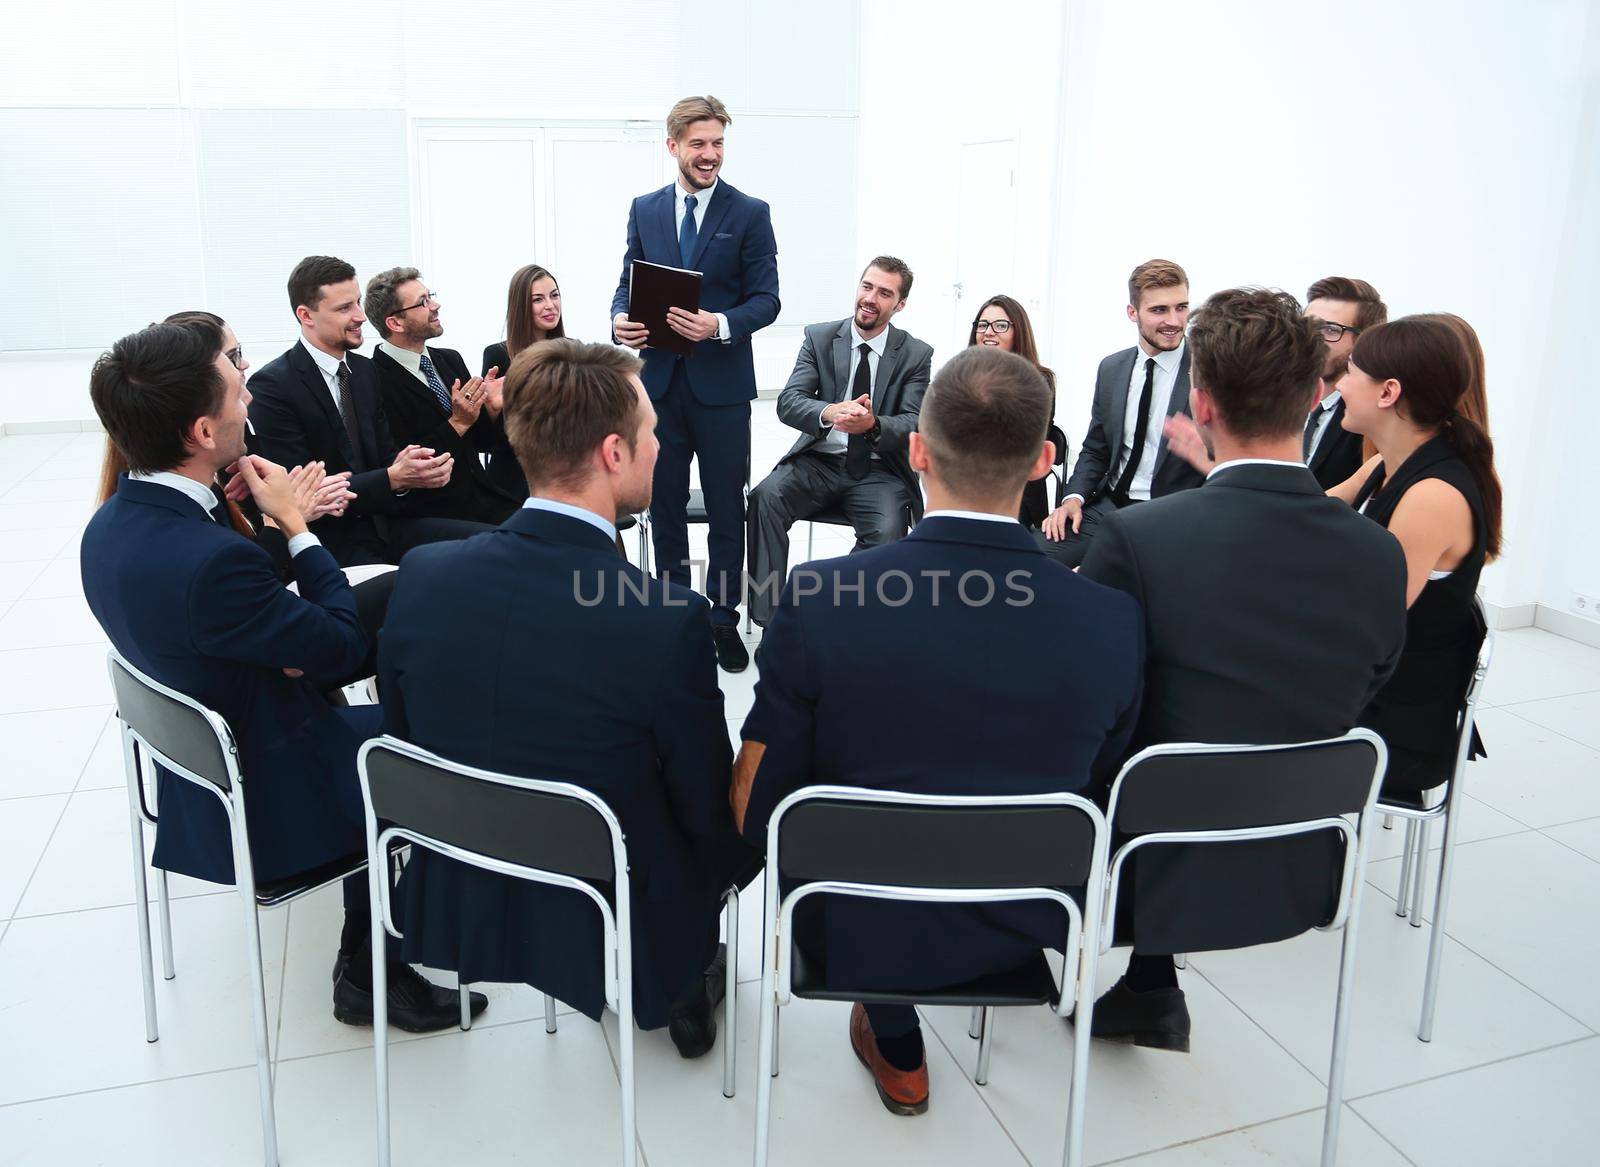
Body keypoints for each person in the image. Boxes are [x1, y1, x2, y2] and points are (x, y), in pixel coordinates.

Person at [732, 345, 1144, 1116]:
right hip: (1028, 916)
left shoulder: (823, 596)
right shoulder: (1113, 621)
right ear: (1043, 461)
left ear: (916, 449)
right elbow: (1101, 790)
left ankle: (895, 1035)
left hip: (854, 915)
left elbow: (758, 802)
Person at [81, 317, 478, 1033]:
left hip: (203, 765)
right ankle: (372, 961)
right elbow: (334, 640)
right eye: (237, 389)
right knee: (435, 728)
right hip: (272, 792)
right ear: (203, 432)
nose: (250, 402)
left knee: (407, 594)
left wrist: (260, 540)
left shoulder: (107, 527)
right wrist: (296, 525)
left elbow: (234, 619)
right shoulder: (212, 560)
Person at [380, 339, 758, 1057]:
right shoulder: (666, 618)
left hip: (461, 877)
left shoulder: (423, 574)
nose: (663, 443)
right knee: (735, 818)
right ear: (614, 453)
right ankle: (684, 975)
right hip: (602, 893)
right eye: (652, 431)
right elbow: (704, 808)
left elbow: (407, 738)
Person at [1079, 287, 1407, 1053]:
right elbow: (1369, 684)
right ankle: (1151, 987)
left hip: (1147, 864)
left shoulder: (1139, 538)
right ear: (1317, 393)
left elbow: (1087, 703)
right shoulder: (1377, 552)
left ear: (1201, 402)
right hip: (1306, 856)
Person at [610, 95, 781, 672]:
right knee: (664, 506)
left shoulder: (750, 213)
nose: (710, 155)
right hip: (658, 387)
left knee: (728, 507)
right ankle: (678, 613)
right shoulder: (645, 209)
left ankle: (723, 616)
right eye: (699, 144)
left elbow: (768, 299)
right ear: (673, 146)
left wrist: (721, 324)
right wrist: (619, 321)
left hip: (724, 390)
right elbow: (626, 281)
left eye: (718, 144)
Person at [1327, 316, 1502, 797]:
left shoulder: (1431, 497)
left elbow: (1369, 625)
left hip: (1395, 730)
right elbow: (1314, 509)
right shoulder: (1388, 461)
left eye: (1350, 373)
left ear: (1387, 393)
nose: (1338, 383)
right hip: (1375, 691)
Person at [247, 255, 494, 566]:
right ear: (306, 315)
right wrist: (393, 478)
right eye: (344, 308)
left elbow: (388, 459)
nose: (361, 316)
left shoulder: (364, 371)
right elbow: (308, 493)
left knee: (496, 545)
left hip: (389, 528)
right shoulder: (272, 386)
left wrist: (413, 473)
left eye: (358, 302)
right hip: (330, 543)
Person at [745, 258, 931, 627]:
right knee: (764, 499)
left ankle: (836, 618)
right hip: (818, 462)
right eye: (867, 286)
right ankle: (773, 623)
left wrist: (872, 424)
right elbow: (789, 401)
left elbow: (913, 423)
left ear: (900, 305)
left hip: (879, 471)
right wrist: (830, 411)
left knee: (888, 532)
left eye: (884, 293)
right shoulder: (820, 337)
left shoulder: (915, 354)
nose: (870, 298)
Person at [1037, 259, 1204, 567]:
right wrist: (1072, 499)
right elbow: (1095, 449)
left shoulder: (1206, 370)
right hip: (1109, 506)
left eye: (1181, 307)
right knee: (1031, 561)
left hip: (1173, 517)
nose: (1175, 320)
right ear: (1132, 313)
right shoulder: (1112, 369)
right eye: (1159, 310)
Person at [365, 266, 520, 526]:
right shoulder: (374, 379)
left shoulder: (448, 359)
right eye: (422, 302)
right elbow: (410, 465)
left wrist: (490, 410)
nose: (435, 305)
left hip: (484, 500)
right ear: (395, 322)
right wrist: (457, 422)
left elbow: (480, 443)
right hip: (430, 514)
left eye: (430, 296)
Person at [966, 294, 1069, 526]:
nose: (988, 332)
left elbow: (1022, 442)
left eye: (1000, 325)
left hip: (1016, 486)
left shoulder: (1039, 380)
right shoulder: (961, 376)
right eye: (982, 325)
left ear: (1018, 331)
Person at [481, 263, 566, 501]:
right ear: (521, 306)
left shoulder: (573, 351)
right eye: (538, 299)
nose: (550, 305)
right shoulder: (498, 355)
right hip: (516, 478)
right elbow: (490, 440)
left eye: (554, 296)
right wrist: (491, 410)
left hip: (565, 474)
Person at [1303, 276, 1387, 489]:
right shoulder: (1271, 402)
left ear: (1363, 340)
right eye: (1307, 325)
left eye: (1330, 329)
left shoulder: (1372, 421)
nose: (1313, 338)